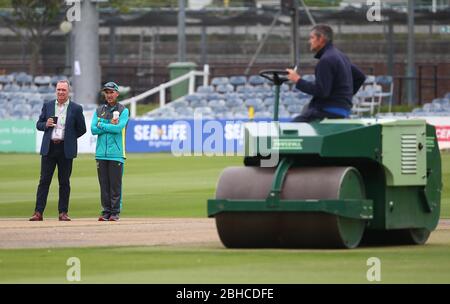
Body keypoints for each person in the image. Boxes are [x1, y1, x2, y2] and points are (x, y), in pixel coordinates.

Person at [30, 80, 87, 221]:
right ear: (56, 91)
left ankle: (63, 213)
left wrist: (69, 138)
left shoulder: (76, 108)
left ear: (69, 92)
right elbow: (38, 124)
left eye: (63, 90)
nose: (61, 92)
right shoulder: (48, 106)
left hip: (65, 149)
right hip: (49, 148)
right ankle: (38, 212)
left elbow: (82, 129)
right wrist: (46, 124)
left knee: (64, 182)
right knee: (44, 181)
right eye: (59, 89)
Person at [286, 24, 366, 122]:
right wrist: (343, 97)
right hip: (343, 109)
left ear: (321, 39)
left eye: (312, 38)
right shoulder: (340, 56)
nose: (309, 41)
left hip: (328, 111)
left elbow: (322, 91)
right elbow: (360, 77)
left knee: (291, 128)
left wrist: (297, 80)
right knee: (307, 108)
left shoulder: (326, 60)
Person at [91, 82, 129, 222]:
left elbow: (118, 128)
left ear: (117, 93)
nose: (109, 95)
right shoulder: (99, 110)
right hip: (101, 153)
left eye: (111, 92)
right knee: (104, 185)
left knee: (115, 185)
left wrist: (102, 125)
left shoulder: (123, 110)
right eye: (107, 92)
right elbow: (93, 129)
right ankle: (106, 211)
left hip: (116, 154)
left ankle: (115, 212)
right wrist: (107, 125)